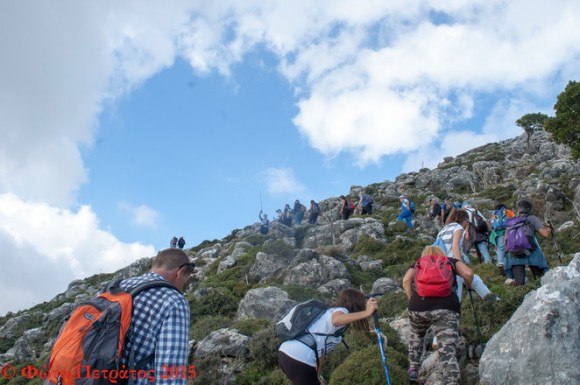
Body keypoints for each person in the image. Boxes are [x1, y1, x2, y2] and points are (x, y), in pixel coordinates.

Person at [119, 248, 193, 384]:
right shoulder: (174, 300)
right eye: (184, 281)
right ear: (181, 272)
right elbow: (170, 373)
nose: (182, 286)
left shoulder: (115, 287)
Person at [402, 245, 474, 385]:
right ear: (441, 253)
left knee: (416, 336)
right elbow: (468, 274)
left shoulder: (418, 263)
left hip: (419, 306)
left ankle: (413, 371)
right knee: (447, 351)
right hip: (447, 307)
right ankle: (452, 381)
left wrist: (412, 300)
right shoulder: (450, 261)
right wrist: (469, 286)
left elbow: (406, 281)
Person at [278, 288, 377, 385]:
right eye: (361, 303)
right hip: (300, 356)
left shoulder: (327, 314)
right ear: (352, 304)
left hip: (286, 353)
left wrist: (317, 377)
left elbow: (321, 355)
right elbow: (336, 320)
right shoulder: (341, 311)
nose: (363, 306)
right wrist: (366, 313)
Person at [437, 209, 494, 301]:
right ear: (463, 219)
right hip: (452, 264)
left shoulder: (443, 230)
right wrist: (460, 266)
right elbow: (455, 247)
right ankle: (494, 302)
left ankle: (493, 300)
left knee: (475, 280)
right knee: (457, 294)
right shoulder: (457, 227)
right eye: (467, 221)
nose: (467, 224)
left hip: (441, 265)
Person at [504, 199, 551, 286]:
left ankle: (519, 297)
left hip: (513, 254)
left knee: (519, 283)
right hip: (531, 252)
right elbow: (545, 234)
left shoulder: (512, 221)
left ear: (518, 209)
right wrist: (549, 228)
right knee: (539, 279)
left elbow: (506, 241)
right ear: (529, 209)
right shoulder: (532, 218)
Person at [489, 203, 516, 276]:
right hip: (509, 232)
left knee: (500, 249)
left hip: (498, 233)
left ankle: (501, 263)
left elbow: (492, 224)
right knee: (509, 248)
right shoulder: (509, 212)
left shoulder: (494, 213)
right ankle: (511, 266)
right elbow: (515, 220)